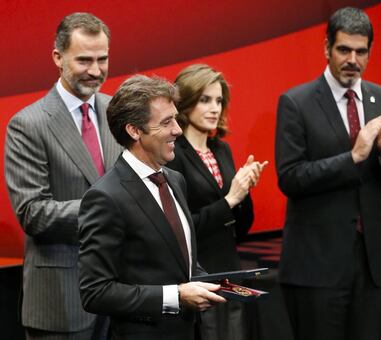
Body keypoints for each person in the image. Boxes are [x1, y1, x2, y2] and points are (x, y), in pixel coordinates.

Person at [275, 7, 381, 340]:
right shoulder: (296, 102)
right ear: (327, 48)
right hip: (317, 269)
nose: (353, 59)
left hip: (373, 266)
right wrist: (352, 158)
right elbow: (290, 178)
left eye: (361, 51)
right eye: (344, 50)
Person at [78, 75, 226, 340]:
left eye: (176, 119)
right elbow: (95, 292)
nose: (178, 130)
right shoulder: (105, 197)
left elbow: (178, 260)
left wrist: (212, 282)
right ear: (134, 130)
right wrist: (176, 296)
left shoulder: (175, 180)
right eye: (166, 122)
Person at [5, 13, 121, 339]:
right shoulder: (28, 124)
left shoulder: (117, 112)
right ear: (58, 57)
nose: (96, 71)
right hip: (61, 301)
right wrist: (114, 208)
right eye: (84, 60)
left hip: (122, 295)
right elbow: (34, 214)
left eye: (103, 59)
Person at [167, 64, 267, 340]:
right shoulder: (173, 155)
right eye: (205, 99)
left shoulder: (222, 149)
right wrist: (231, 198)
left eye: (219, 100)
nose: (215, 108)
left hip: (229, 272)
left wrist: (244, 193)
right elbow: (182, 228)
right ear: (185, 104)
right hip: (195, 279)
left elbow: (241, 228)